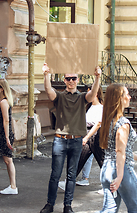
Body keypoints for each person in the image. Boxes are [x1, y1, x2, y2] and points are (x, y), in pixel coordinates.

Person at [40, 63, 101, 213]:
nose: (71, 81)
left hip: (76, 141)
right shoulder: (60, 97)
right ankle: (50, 204)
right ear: (64, 80)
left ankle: (68, 206)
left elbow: (93, 94)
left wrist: (97, 77)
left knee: (72, 175)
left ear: (78, 79)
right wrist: (46, 75)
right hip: (60, 140)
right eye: (68, 78)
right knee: (55, 174)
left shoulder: (81, 98)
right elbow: (48, 91)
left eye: (73, 78)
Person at [98, 84, 137, 213]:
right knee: (136, 209)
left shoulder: (108, 121)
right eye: (127, 94)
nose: (129, 97)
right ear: (119, 99)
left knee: (109, 209)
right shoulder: (123, 123)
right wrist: (120, 176)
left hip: (106, 169)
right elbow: (120, 151)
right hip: (122, 170)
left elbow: (120, 149)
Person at [59, 85, 105, 190]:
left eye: (90, 93)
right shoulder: (89, 107)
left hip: (95, 136)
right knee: (79, 159)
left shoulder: (101, 108)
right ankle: (68, 182)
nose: (87, 95)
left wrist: (86, 137)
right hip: (87, 135)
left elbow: (98, 124)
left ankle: (109, 186)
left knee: (102, 160)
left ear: (96, 94)